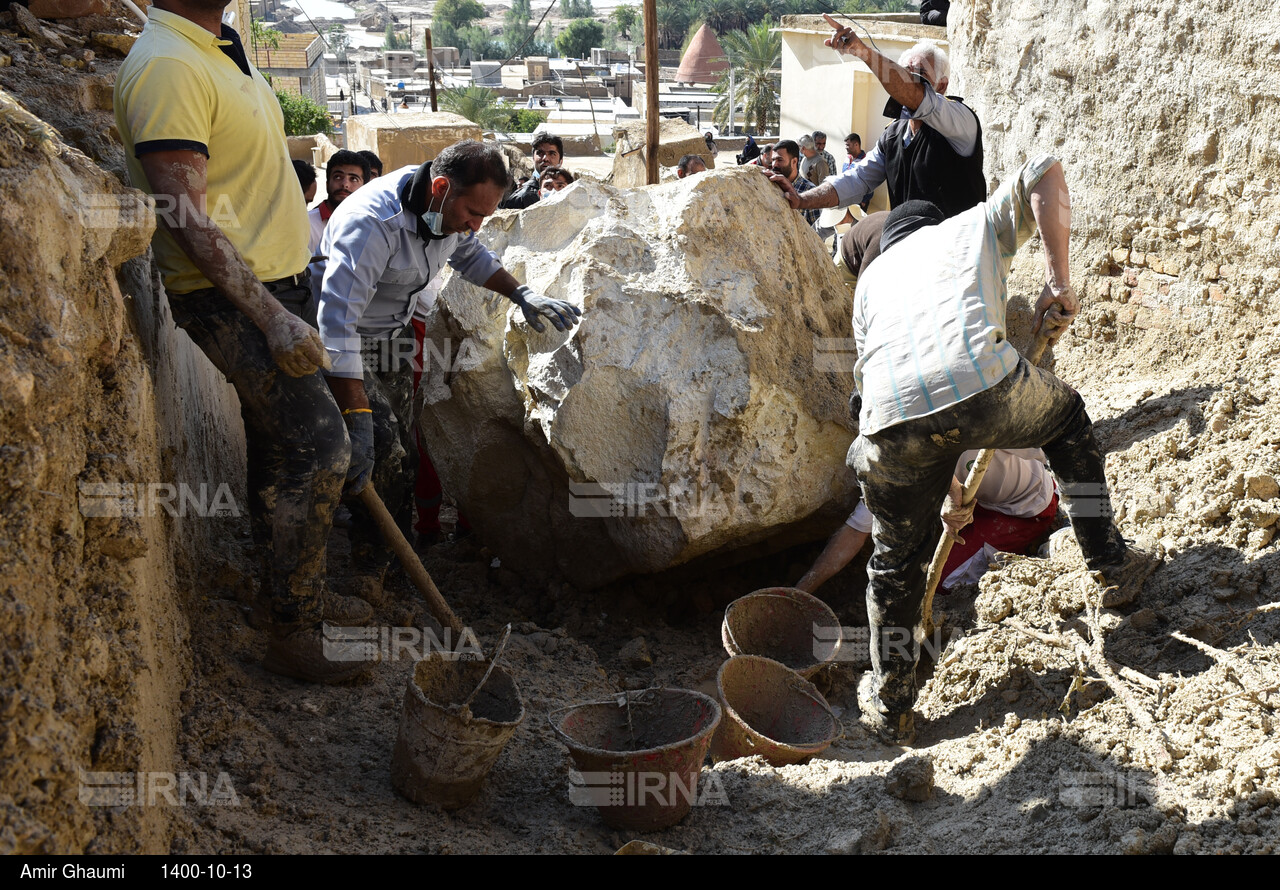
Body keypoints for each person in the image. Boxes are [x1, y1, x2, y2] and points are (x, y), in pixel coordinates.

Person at [846, 158, 1160, 745]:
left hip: (885, 427)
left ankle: (892, 705)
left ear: (886, 245)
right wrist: (1059, 281)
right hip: (980, 381)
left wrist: (945, 489)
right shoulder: (967, 228)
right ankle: (1109, 562)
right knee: (1066, 422)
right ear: (932, 226)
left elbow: (892, 394)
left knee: (893, 566)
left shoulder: (870, 285)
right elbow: (1047, 170)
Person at [114, 0, 371, 682]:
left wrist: (289, 301)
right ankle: (294, 628)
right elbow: (182, 213)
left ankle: (289, 593)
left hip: (278, 289)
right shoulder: (168, 64)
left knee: (280, 445)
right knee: (321, 448)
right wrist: (270, 315)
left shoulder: (221, 46)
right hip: (231, 300)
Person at [317, 140, 582, 593]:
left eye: (484, 215)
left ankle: (397, 554)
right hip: (345, 343)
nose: (475, 225)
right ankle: (368, 568)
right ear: (440, 187)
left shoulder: (446, 212)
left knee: (404, 447)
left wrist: (521, 293)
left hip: (393, 336)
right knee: (378, 447)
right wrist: (356, 415)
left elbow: (470, 255)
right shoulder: (371, 225)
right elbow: (334, 326)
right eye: (472, 214)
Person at [795, 449, 1060, 594]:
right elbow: (855, 530)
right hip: (974, 502)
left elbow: (1041, 440)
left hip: (1025, 508)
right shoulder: (886, 461)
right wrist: (804, 588)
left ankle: (1039, 546)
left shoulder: (963, 421)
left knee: (944, 583)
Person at [499, 130, 563, 210]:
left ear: (561, 161)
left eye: (552, 154)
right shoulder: (520, 198)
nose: (545, 158)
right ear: (533, 158)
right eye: (540, 153)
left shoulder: (570, 191)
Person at [771, 140, 820, 228]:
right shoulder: (770, 186)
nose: (774, 165)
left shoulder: (810, 191)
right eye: (773, 160)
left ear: (794, 161)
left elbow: (817, 234)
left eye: (779, 160)